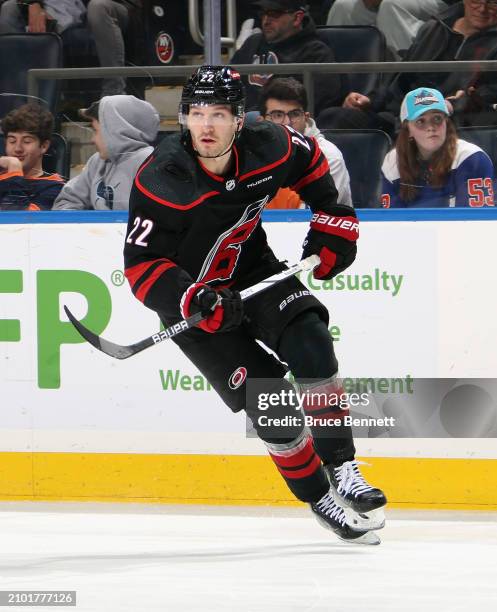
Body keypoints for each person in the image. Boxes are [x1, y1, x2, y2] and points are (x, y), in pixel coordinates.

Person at [123, 65, 387, 544]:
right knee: (272, 398)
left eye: (219, 114)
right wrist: (191, 298)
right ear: (182, 118)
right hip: (195, 305)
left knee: (311, 341)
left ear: (239, 120)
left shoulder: (271, 144)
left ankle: (345, 466)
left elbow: (311, 164)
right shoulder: (162, 178)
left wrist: (331, 218)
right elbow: (140, 266)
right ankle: (318, 495)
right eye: (196, 113)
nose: (206, 126)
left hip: (254, 272)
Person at [319, 0, 497, 134]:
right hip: (402, 116)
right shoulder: (435, 28)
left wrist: (461, 102)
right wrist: (370, 101)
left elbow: (489, 92)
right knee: (334, 116)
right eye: (476, 1)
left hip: (454, 121)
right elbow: (401, 78)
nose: (482, 9)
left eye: (492, 3)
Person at [381, 87, 495, 207]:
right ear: (408, 129)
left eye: (437, 118)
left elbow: (472, 221)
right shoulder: (393, 161)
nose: (431, 127)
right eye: (421, 121)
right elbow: (392, 221)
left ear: (446, 122)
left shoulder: (470, 158)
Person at [230, 0, 345, 116]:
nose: (266, 21)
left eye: (274, 14)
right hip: (240, 119)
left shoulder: (316, 53)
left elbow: (315, 104)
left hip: (284, 123)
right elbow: (227, 82)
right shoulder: (253, 43)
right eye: (263, 14)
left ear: (297, 18)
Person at [0, 0, 139, 96]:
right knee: (9, 9)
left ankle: (113, 93)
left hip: (106, 8)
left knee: (97, 7)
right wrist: (32, 4)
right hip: (50, 7)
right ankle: (14, 98)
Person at [259, 77, 352, 208]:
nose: (287, 122)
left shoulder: (328, 157)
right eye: (277, 115)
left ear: (306, 118)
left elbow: (320, 215)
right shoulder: (250, 155)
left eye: (295, 114)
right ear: (262, 121)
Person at [52, 95, 158, 210]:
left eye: (96, 131)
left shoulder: (149, 163)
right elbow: (66, 201)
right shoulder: (96, 161)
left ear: (116, 131)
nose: (92, 140)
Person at [326, 0, 457, 57]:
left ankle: (404, 81)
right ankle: (340, 83)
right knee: (343, 6)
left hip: (441, 4)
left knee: (391, 5)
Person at [0, 103, 64, 210]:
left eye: (27, 141)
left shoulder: (54, 188)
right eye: (12, 141)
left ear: (44, 146)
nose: (18, 148)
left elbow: (19, 221)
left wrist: (14, 169)